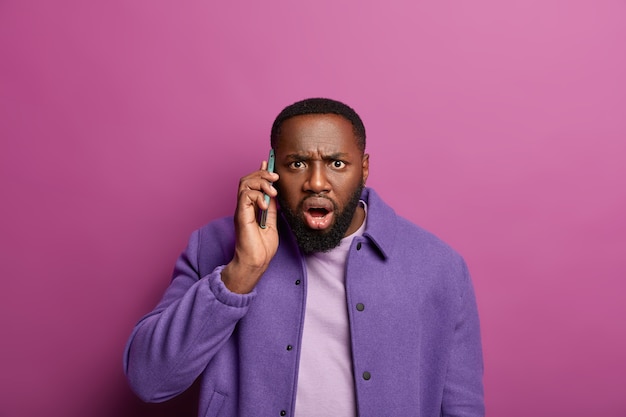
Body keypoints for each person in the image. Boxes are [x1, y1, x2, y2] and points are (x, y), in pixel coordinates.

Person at [123, 98, 484, 416]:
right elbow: (150, 381)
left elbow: (461, 406)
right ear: (271, 170)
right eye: (297, 164)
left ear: (365, 168)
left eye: (337, 164)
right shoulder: (213, 246)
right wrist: (241, 271)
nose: (316, 182)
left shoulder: (438, 267)